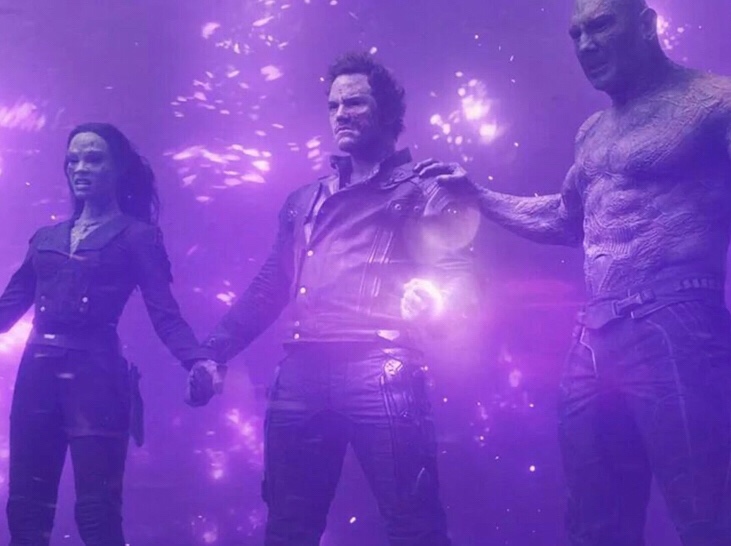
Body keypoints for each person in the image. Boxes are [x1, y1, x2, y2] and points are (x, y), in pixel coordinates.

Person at [415, 0, 731, 544]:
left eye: (600, 25)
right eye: (576, 33)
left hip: (678, 318)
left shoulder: (722, 100)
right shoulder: (592, 132)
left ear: (646, 24)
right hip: (593, 336)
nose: (586, 45)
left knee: (710, 519)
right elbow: (567, 219)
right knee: (595, 526)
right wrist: (480, 196)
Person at [185, 52, 476, 546]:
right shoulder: (304, 200)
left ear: (386, 111)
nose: (341, 113)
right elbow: (271, 285)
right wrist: (213, 351)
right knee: (288, 529)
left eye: (355, 102)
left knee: (414, 525)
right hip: (302, 371)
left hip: (381, 367)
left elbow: (458, 274)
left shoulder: (424, 187)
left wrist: (434, 301)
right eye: (334, 105)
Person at [0, 122, 210, 545]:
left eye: (93, 159)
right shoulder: (47, 237)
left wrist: (196, 360)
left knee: (97, 512)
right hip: (37, 377)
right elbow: (9, 306)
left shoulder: (137, 236)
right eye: (73, 160)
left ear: (118, 169)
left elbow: (164, 313)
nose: (80, 168)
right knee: (25, 507)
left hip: (95, 378)